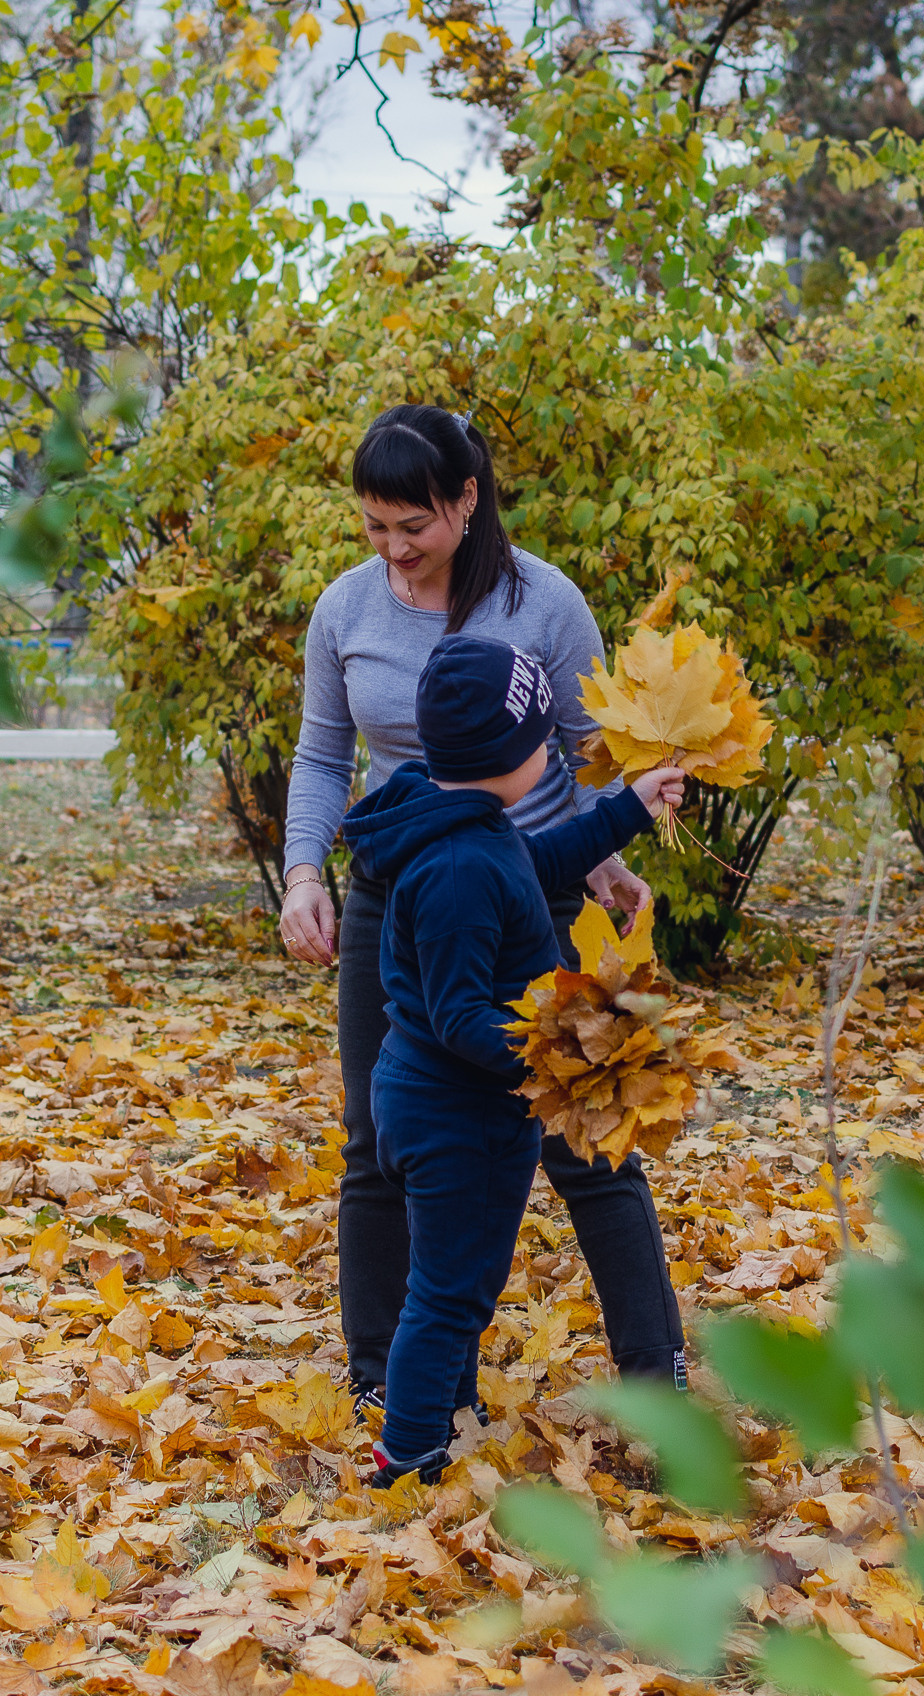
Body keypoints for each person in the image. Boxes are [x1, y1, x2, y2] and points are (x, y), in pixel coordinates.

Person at [278, 403, 688, 1402]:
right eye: (374, 528)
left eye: (412, 526)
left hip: (523, 889)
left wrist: (600, 860)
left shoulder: (541, 604)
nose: (394, 552)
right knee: (380, 1138)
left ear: (465, 500)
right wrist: (301, 874)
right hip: (392, 899)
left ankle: (654, 1375)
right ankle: (385, 1380)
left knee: (583, 1131)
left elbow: (590, 751)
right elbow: (324, 753)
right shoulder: (346, 609)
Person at [338, 634, 686, 1484]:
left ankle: (444, 1422)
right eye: (542, 741)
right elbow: (459, 1014)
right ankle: (409, 1450)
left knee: (455, 1276)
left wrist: (631, 809)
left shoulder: (465, 827)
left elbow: (538, 862)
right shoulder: (458, 866)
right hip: (456, 1112)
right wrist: (558, 1050)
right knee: (451, 1289)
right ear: (510, 756)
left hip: (450, 1104)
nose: (550, 753)